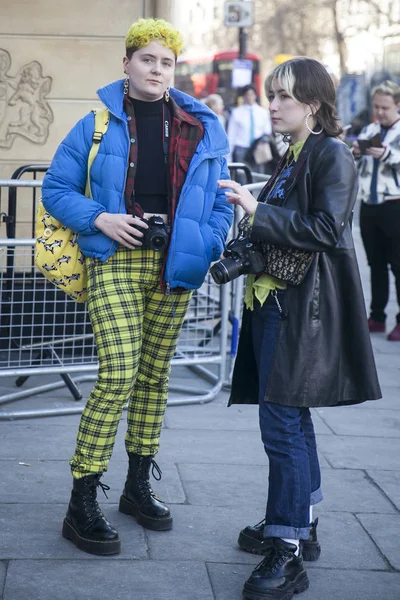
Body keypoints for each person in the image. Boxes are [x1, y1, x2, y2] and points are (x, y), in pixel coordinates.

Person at [42, 18, 233, 556]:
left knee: (153, 377)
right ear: (126, 63)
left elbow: (219, 201)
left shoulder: (200, 125)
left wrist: (208, 238)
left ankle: (136, 485)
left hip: (176, 265)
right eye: (147, 59)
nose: (157, 70)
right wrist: (100, 218)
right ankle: (82, 498)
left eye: (166, 62)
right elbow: (55, 187)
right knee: (120, 371)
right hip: (116, 262)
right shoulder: (97, 123)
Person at [217, 57, 381, 599]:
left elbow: (328, 229)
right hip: (274, 304)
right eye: (272, 96)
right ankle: (299, 522)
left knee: (282, 425)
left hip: (301, 311)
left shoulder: (331, 152)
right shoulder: (295, 154)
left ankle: (286, 549)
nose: (273, 104)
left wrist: (255, 210)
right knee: (291, 418)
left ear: (312, 104)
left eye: (284, 96)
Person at [353, 80, 400, 341]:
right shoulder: (370, 128)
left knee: (398, 266)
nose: (380, 112)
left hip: (395, 205)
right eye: (376, 107)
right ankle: (377, 317)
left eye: (385, 107)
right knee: (375, 265)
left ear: (397, 105)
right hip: (369, 206)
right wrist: (357, 151)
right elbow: (358, 162)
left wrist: (385, 154)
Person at [227, 83, 272, 174]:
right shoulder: (237, 112)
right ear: (244, 96)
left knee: (258, 178)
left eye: (252, 94)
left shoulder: (262, 112)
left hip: (257, 149)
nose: (249, 97)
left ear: (255, 95)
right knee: (243, 178)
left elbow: (267, 131)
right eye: (247, 94)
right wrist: (228, 157)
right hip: (242, 149)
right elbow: (231, 135)